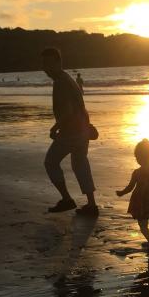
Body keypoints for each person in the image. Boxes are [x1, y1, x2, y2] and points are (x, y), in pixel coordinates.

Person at [42, 47, 99, 215]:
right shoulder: (67, 79)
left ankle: (67, 199)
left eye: (48, 63)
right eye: (43, 64)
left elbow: (68, 111)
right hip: (82, 130)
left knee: (50, 162)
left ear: (58, 63)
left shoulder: (61, 81)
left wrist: (55, 127)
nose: (45, 67)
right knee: (80, 164)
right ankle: (91, 205)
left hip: (71, 131)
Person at [116, 138, 149, 246]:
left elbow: (130, 187)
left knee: (142, 222)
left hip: (141, 202)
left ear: (138, 158)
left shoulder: (137, 173)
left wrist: (122, 193)